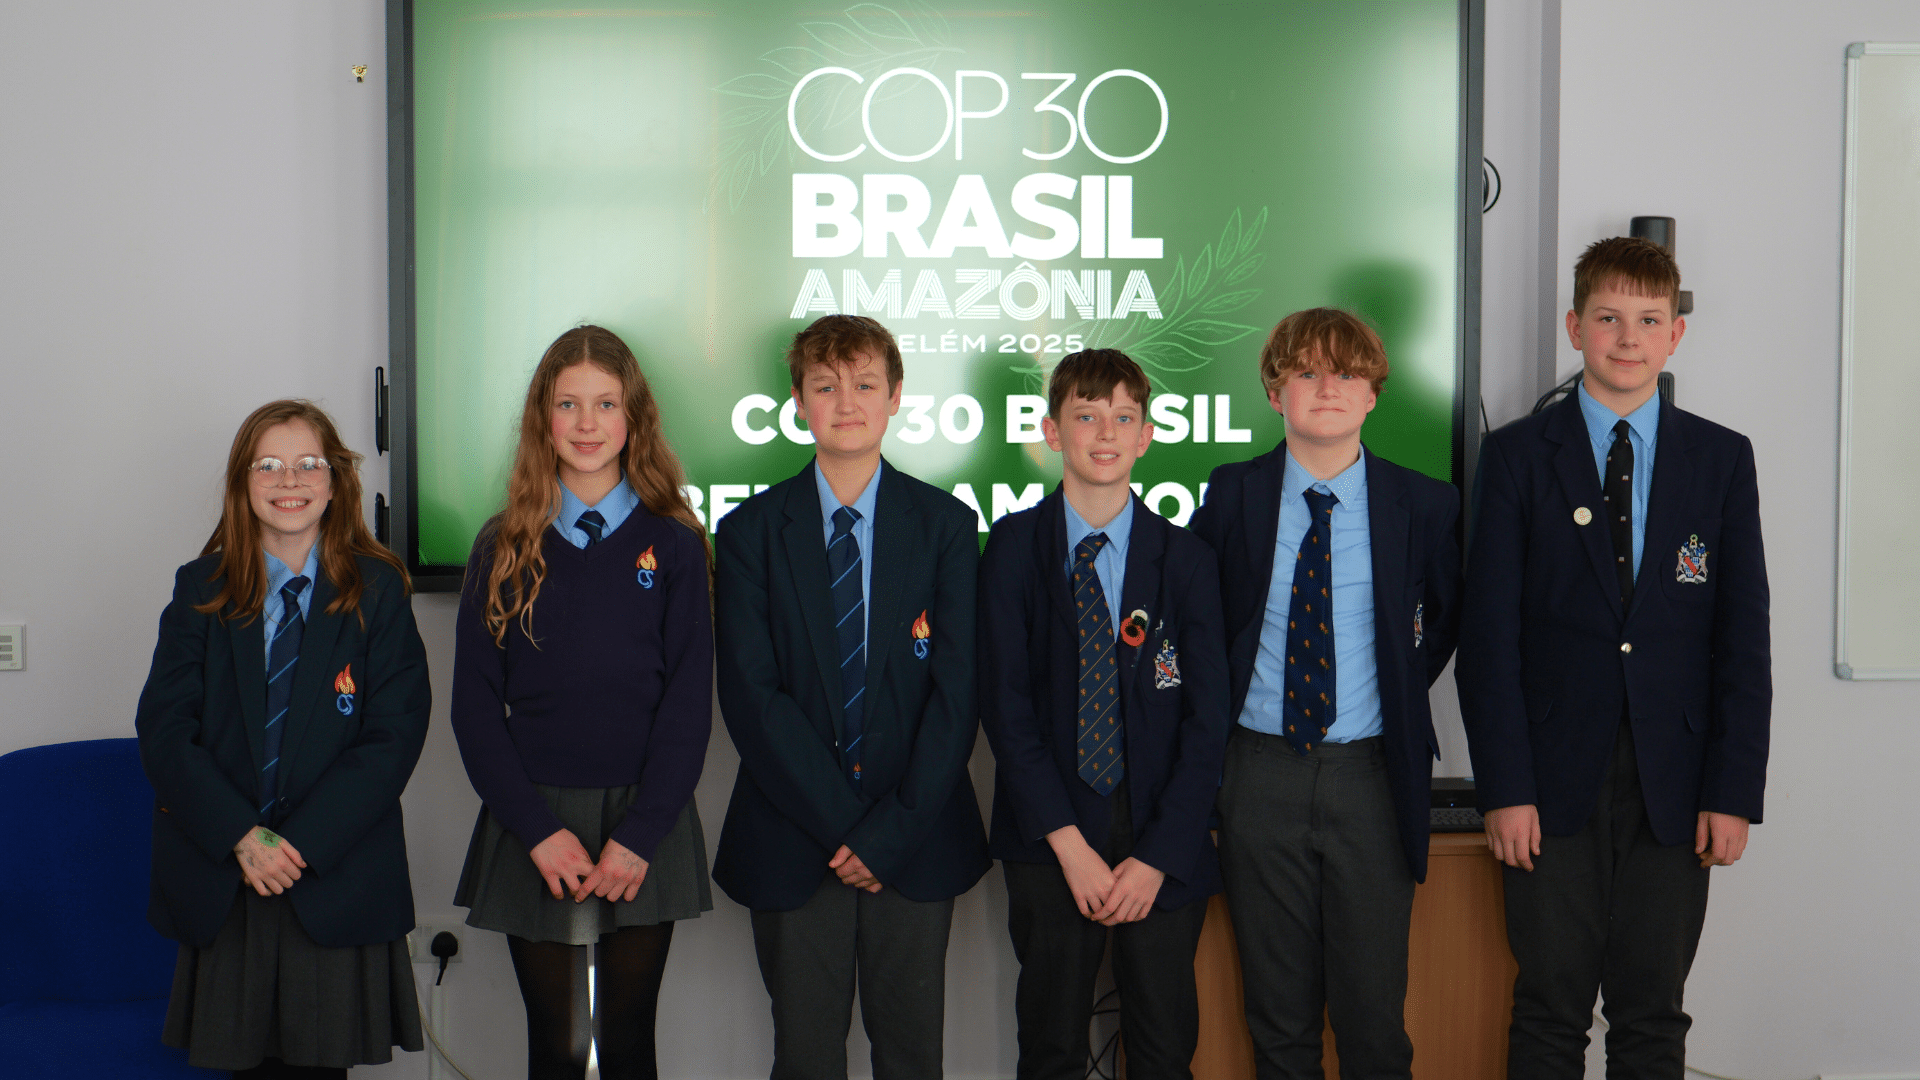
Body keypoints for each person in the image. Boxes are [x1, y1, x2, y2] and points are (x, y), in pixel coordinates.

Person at [1457, 237, 1770, 1078]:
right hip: (1550, 787)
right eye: (1607, 318)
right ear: (1574, 327)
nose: (1627, 338)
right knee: (1550, 1009)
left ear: (1675, 336)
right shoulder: (1522, 456)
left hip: (1677, 786)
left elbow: (1743, 642)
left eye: (1648, 320)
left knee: (1652, 1015)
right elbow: (1489, 642)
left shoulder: (1720, 458)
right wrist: (1505, 790)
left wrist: (1733, 793)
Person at [711, 313, 989, 1080]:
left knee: (911, 1057)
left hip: (917, 835)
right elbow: (752, 696)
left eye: (866, 383)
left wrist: (887, 836)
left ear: (896, 396)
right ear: (798, 401)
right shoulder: (749, 533)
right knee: (804, 1057)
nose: (847, 401)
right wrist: (848, 830)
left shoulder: (945, 526)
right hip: (797, 840)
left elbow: (957, 692)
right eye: (825, 385)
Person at [1189, 309, 1462, 1079]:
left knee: (1374, 1021)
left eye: (1345, 373)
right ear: (1276, 392)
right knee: (1277, 1022)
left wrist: (1396, 693)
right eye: (1305, 372)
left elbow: (1441, 621)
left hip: (1371, 778)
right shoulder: (1232, 495)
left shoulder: (1426, 505)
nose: (1327, 388)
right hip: (1258, 774)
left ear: (1374, 393)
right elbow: (1207, 629)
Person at [136, 399, 429, 1079]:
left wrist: (295, 848)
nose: (288, 480)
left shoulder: (379, 589)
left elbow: (394, 735)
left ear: (336, 481)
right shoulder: (200, 589)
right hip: (228, 875)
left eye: (307, 464)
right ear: (243, 481)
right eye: (268, 465)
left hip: (329, 874)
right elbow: (165, 730)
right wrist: (244, 838)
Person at [450, 325, 714, 1080]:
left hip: (645, 820)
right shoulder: (501, 544)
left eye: (606, 404)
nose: (589, 424)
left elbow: (688, 706)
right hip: (533, 820)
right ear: (544, 416)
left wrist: (640, 835)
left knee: (629, 1044)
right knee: (557, 1051)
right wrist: (536, 832)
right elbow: (474, 710)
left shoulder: (675, 545)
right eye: (570, 405)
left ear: (635, 418)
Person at [977, 349, 1230, 1080]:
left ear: (1146, 436)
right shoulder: (1013, 550)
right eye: (1085, 415)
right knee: (1050, 1045)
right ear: (1053, 432)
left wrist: (1156, 857)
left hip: (1163, 841)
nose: (1105, 432)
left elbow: (1207, 720)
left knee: (1161, 1046)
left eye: (1123, 417)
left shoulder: (1185, 559)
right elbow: (1007, 708)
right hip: (1051, 837)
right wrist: (1070, 846)